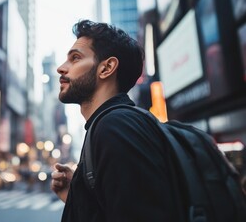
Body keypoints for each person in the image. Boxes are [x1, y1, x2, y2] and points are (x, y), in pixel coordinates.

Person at [50, 20, 187, 221]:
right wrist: (77, 195)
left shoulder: (115, 127)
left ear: (107, 68)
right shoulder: (110, 124)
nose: (61, 68)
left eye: (76, 58)